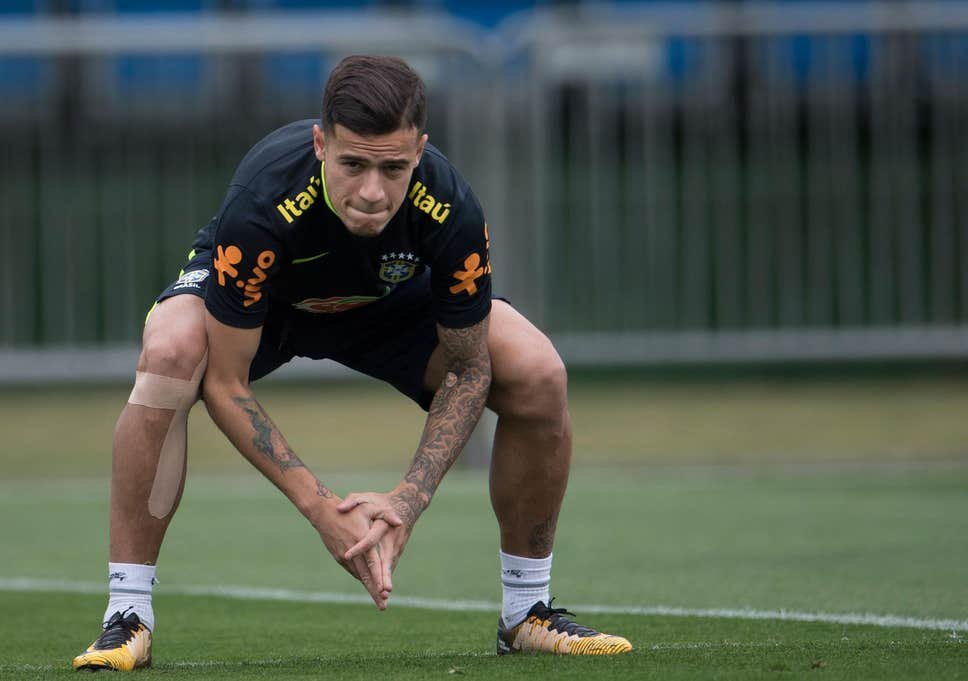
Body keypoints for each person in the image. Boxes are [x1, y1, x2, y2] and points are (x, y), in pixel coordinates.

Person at [72, 55, 631, 672]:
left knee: (537, 371)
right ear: (321, 144)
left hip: (387, 306)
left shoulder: (452, 209)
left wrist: (407, 502)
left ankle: (527, 611)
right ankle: (127, 615)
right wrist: (321, 509)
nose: (371, 191)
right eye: (353, 164)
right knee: (171, 352)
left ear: (420, 151)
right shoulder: (261, 202)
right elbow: (227, 383)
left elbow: (470, 369)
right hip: (272, 305)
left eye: (393, 168)